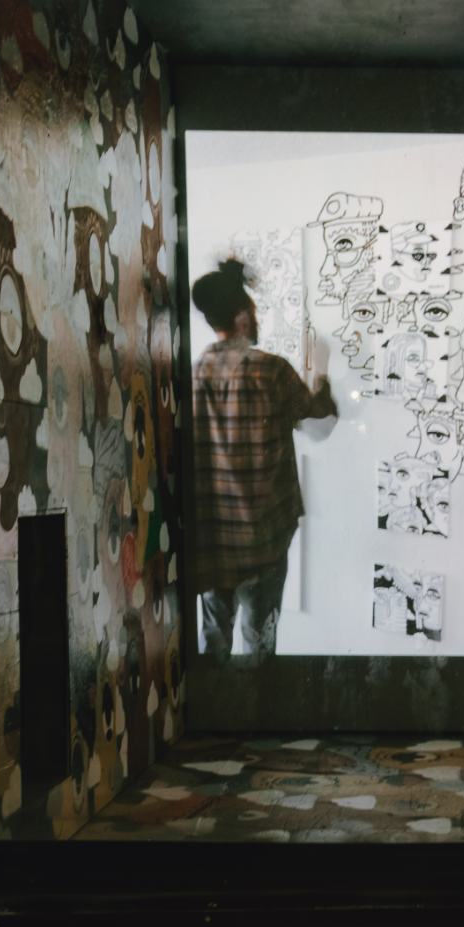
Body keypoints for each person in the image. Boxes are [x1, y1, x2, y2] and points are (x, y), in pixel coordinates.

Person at [192, 259, 337, 661]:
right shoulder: (270, 371)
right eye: (252, 312)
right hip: (263, 541)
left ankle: (215, 716)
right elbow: (321, 423)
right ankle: (258, 715)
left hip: (212, 541)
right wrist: (321, 370)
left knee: (213, 643)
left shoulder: (192, 374)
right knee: (261, 643)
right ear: (241, 317)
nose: (255, 319)